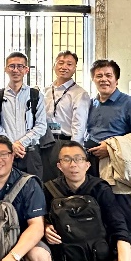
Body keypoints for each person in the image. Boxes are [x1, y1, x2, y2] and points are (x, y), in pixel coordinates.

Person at [85, 59, 131, 177]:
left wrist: (111, 148)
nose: (103, 79)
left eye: (108, 75)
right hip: (89, 163)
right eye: (99, 76)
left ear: (116, 80)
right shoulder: (89, 104)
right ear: (93, 80)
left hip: (116, 165)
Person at [0, 51, 47, 178]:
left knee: (33, 187)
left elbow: (41, 126)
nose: (15, 70)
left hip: (30, 153)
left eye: (20, 66)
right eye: (12, 66)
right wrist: (10, 145)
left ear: (26, 70)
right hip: (5, 153)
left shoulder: (36, 95)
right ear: (5, 69)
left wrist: (20, 144)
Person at [42, 51, 90, 181]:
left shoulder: (79, 93)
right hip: (46, 141)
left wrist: (74, 151)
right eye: (61, 63)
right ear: (54, 65)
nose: (64, 67)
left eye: (69, 64)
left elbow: (79, 125)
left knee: (64, 181)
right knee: (46, 180)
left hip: (65, 142)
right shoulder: (46, 90)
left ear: (74, 68)